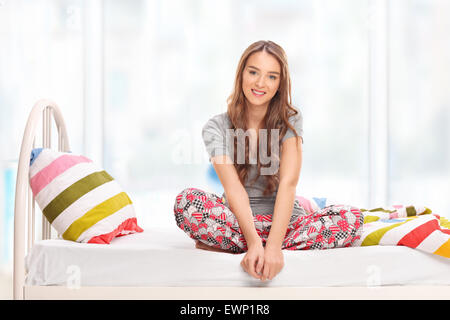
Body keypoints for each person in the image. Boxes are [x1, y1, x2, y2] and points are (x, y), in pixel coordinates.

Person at [173, 40, 363, 282]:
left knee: (352, 218)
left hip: (285, 223)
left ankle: (233, 245)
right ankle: (250, 244)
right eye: (253, 72)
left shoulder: (290, 120)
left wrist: (273, 247)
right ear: (241, 73)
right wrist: (253, 242)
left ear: (280, 84)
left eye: (271, 77)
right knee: (185, 202)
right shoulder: (216, 127)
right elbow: (233, 190)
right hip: (237, 220)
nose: (261, 83)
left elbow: (288, 184)